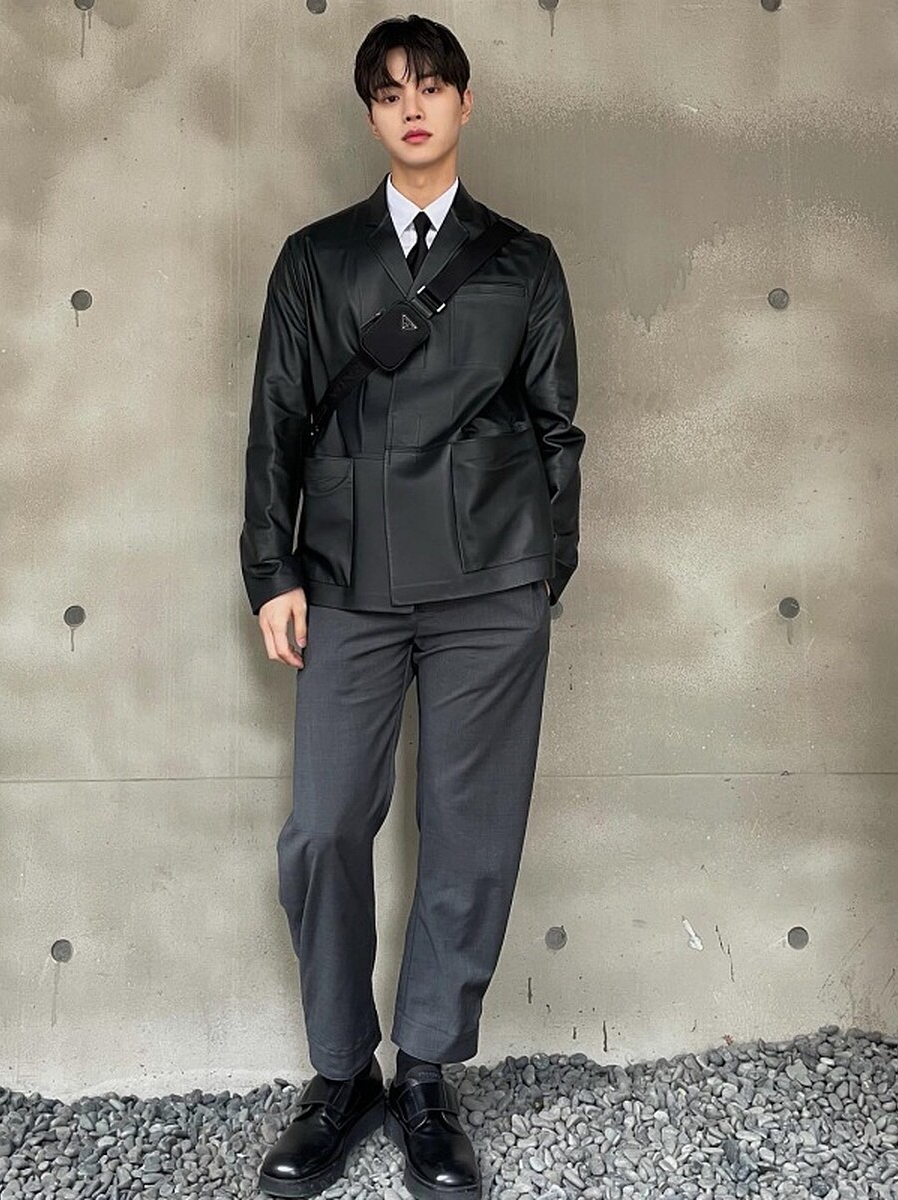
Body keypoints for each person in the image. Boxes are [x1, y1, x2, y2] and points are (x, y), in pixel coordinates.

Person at [241, 14, 584, 1199]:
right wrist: (271, 571)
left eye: (432, 87)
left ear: (465, 103)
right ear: (371, 114)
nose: (413, 107)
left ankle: (427, 1075)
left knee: (468, 832)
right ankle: (342, 1076)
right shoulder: (317, 259)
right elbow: (275, 422)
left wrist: (544, 572)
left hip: (491, 585)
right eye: (390, 92)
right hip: (348, 579)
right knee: (324, 825)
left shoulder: (523, 261)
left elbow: (558, 429)